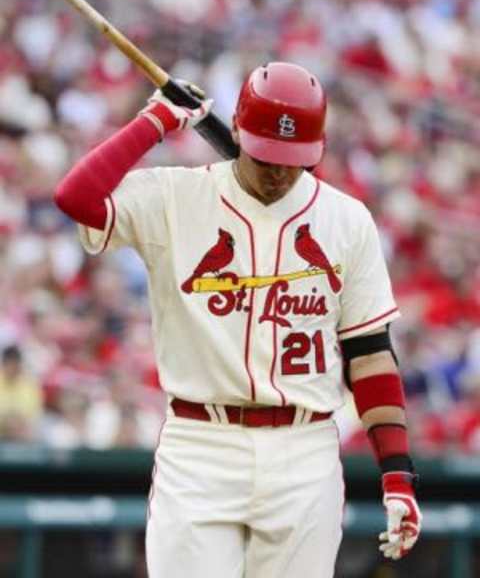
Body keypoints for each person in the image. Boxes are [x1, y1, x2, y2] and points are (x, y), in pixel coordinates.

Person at [54, 61, 421, 577]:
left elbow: (370, 353)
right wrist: (155, 122)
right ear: (240, 134)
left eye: (293, 160)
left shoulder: (346, 219)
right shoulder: (175, 196)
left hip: (305, 447)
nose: (279, 172)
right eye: (268, 156)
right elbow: (76, 198)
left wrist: (397, 476)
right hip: (201, 442)